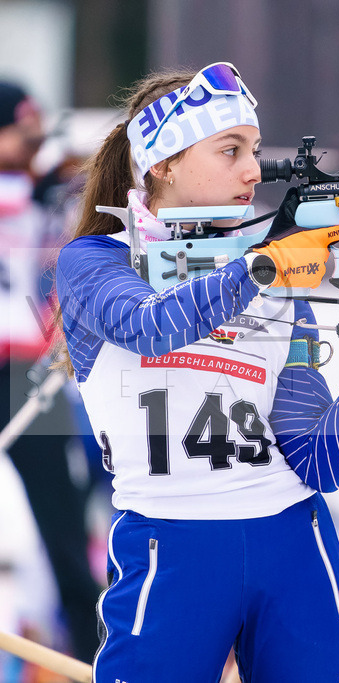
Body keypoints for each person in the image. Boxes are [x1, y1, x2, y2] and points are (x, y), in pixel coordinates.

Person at [52, 62, 339, 681]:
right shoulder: (93, 261)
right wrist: (260, 269)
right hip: (171, 547)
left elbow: (322, 463)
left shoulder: (281, 281)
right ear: (163, 163)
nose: (254, 169)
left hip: (294, 543)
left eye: (253, 149)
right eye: (230, 150)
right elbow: (149, 327)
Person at [0, 80, 101, 663]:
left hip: (26, 379)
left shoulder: (36, 190)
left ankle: (89, 656)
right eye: (22, 130)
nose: (32, 142)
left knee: (63, 526)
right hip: (15, 374)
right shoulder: (21, 190)